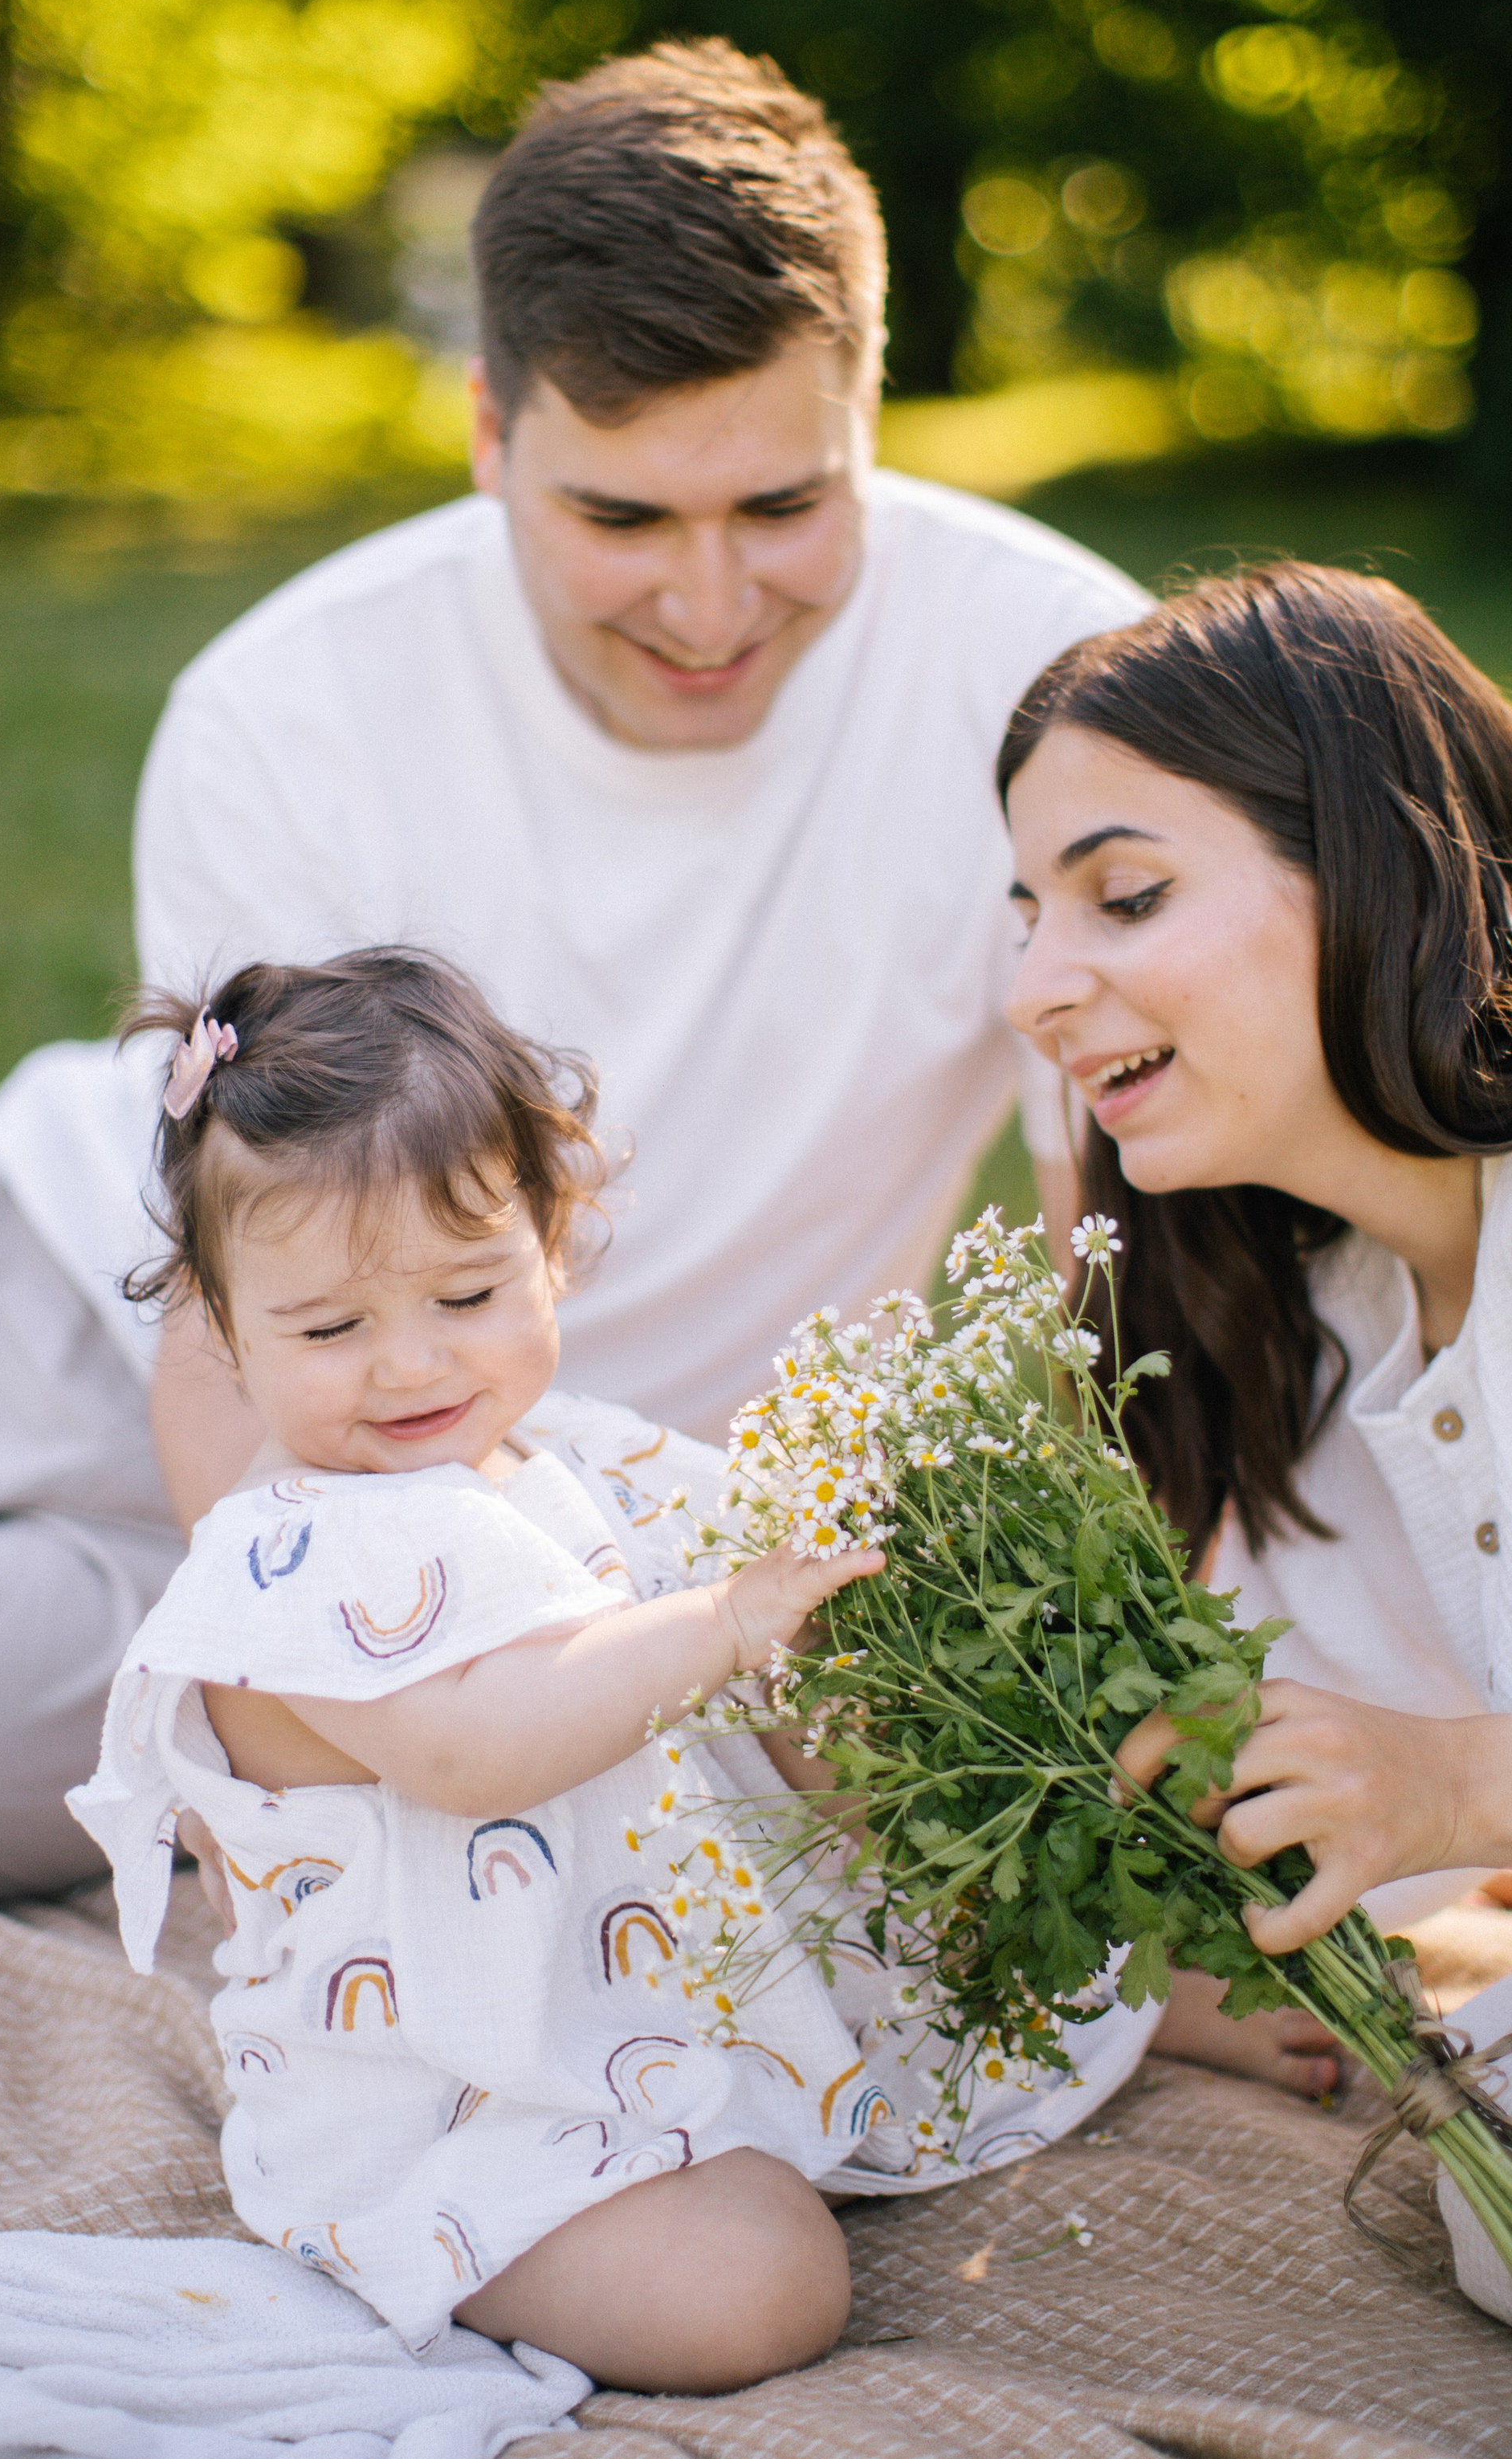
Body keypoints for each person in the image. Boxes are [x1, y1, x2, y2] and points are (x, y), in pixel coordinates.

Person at [0, 38, 1143, 1902]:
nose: (713, 606)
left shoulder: (1057, 683)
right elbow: (217, 1292)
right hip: (97, 1286)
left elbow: (1121, 1249)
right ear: (490, 431)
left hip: (504, 1514)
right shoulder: (290, 700)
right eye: (621, 518)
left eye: (786, 508)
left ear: (871, 415)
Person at [69, 950, 1156, 2386]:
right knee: (759, 2286)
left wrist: (845, 1605)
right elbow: (480, 1742)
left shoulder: (563, 1451)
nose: (408, 1368)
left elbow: (744, 1607)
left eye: (467, 1295)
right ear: (220, 1326)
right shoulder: (287, 1563)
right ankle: (473, 2243)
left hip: (642, 2000)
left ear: (554, 1241)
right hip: (454, 2097)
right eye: (330, 1329)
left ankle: (1024, 2012)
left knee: (1006, 1955)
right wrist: (722, 1624)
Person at [997, 560, 1512, 2394]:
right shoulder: (1341, 1290)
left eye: (1124, 895)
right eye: (1027, 916)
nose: (1040, 991)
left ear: (1373, 858)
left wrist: (1456, 1786)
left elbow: (1434, 1774)